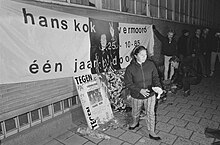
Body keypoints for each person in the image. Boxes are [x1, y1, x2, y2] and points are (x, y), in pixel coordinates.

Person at [124, 45, 163, 140]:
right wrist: (139, 90)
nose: (144, 57)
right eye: (142, 55)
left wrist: (158, 87)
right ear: (136, 55)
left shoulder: (150, 64)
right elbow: (128, 83)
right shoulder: (130, 68)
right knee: (135, 111)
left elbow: (155, 78)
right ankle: (135, 122)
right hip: (137, 95)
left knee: (150, 113)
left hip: (150, 94)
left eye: (145, 54)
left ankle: (151, 131)